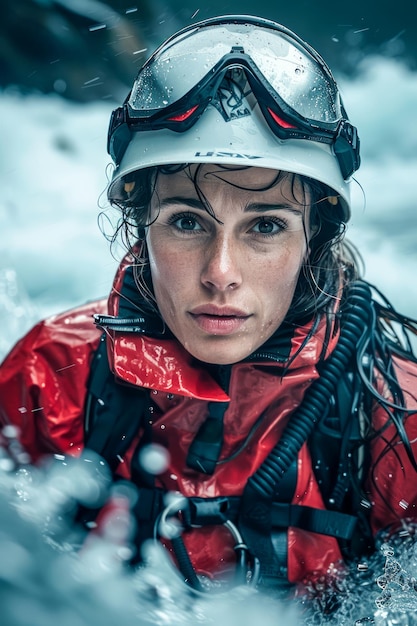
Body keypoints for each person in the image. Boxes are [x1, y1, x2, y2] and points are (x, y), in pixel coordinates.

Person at [1, 14, 417, 599]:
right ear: (141, 228)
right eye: (187, 222)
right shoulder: (51, 378)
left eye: (266, 225)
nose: (221, 273)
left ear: (315, 238)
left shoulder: (394, 423)